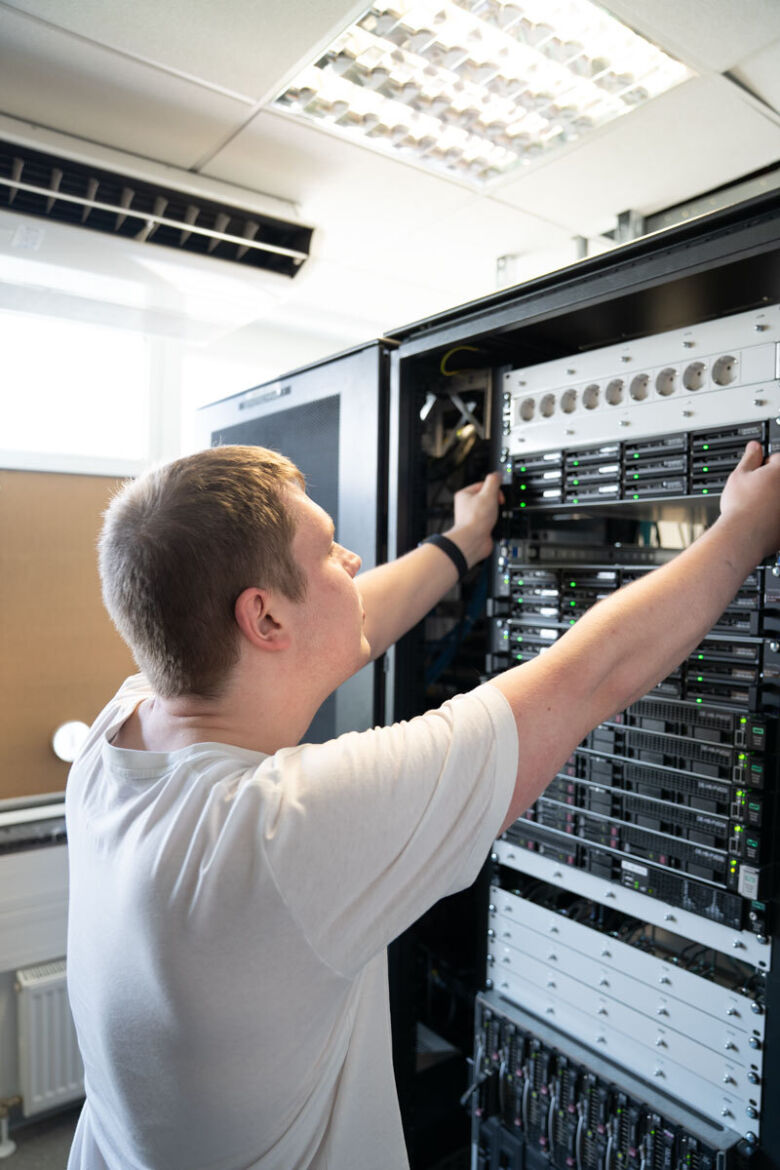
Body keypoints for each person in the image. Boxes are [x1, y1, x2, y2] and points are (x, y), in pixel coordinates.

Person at [65, 440, 780, 1170]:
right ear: (266, 619)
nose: (351, 562)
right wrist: (744, 530)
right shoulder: (284, 831)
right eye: (329, 550)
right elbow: (588, 678)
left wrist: (461, 543)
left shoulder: (116, 737)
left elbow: (335, 621)